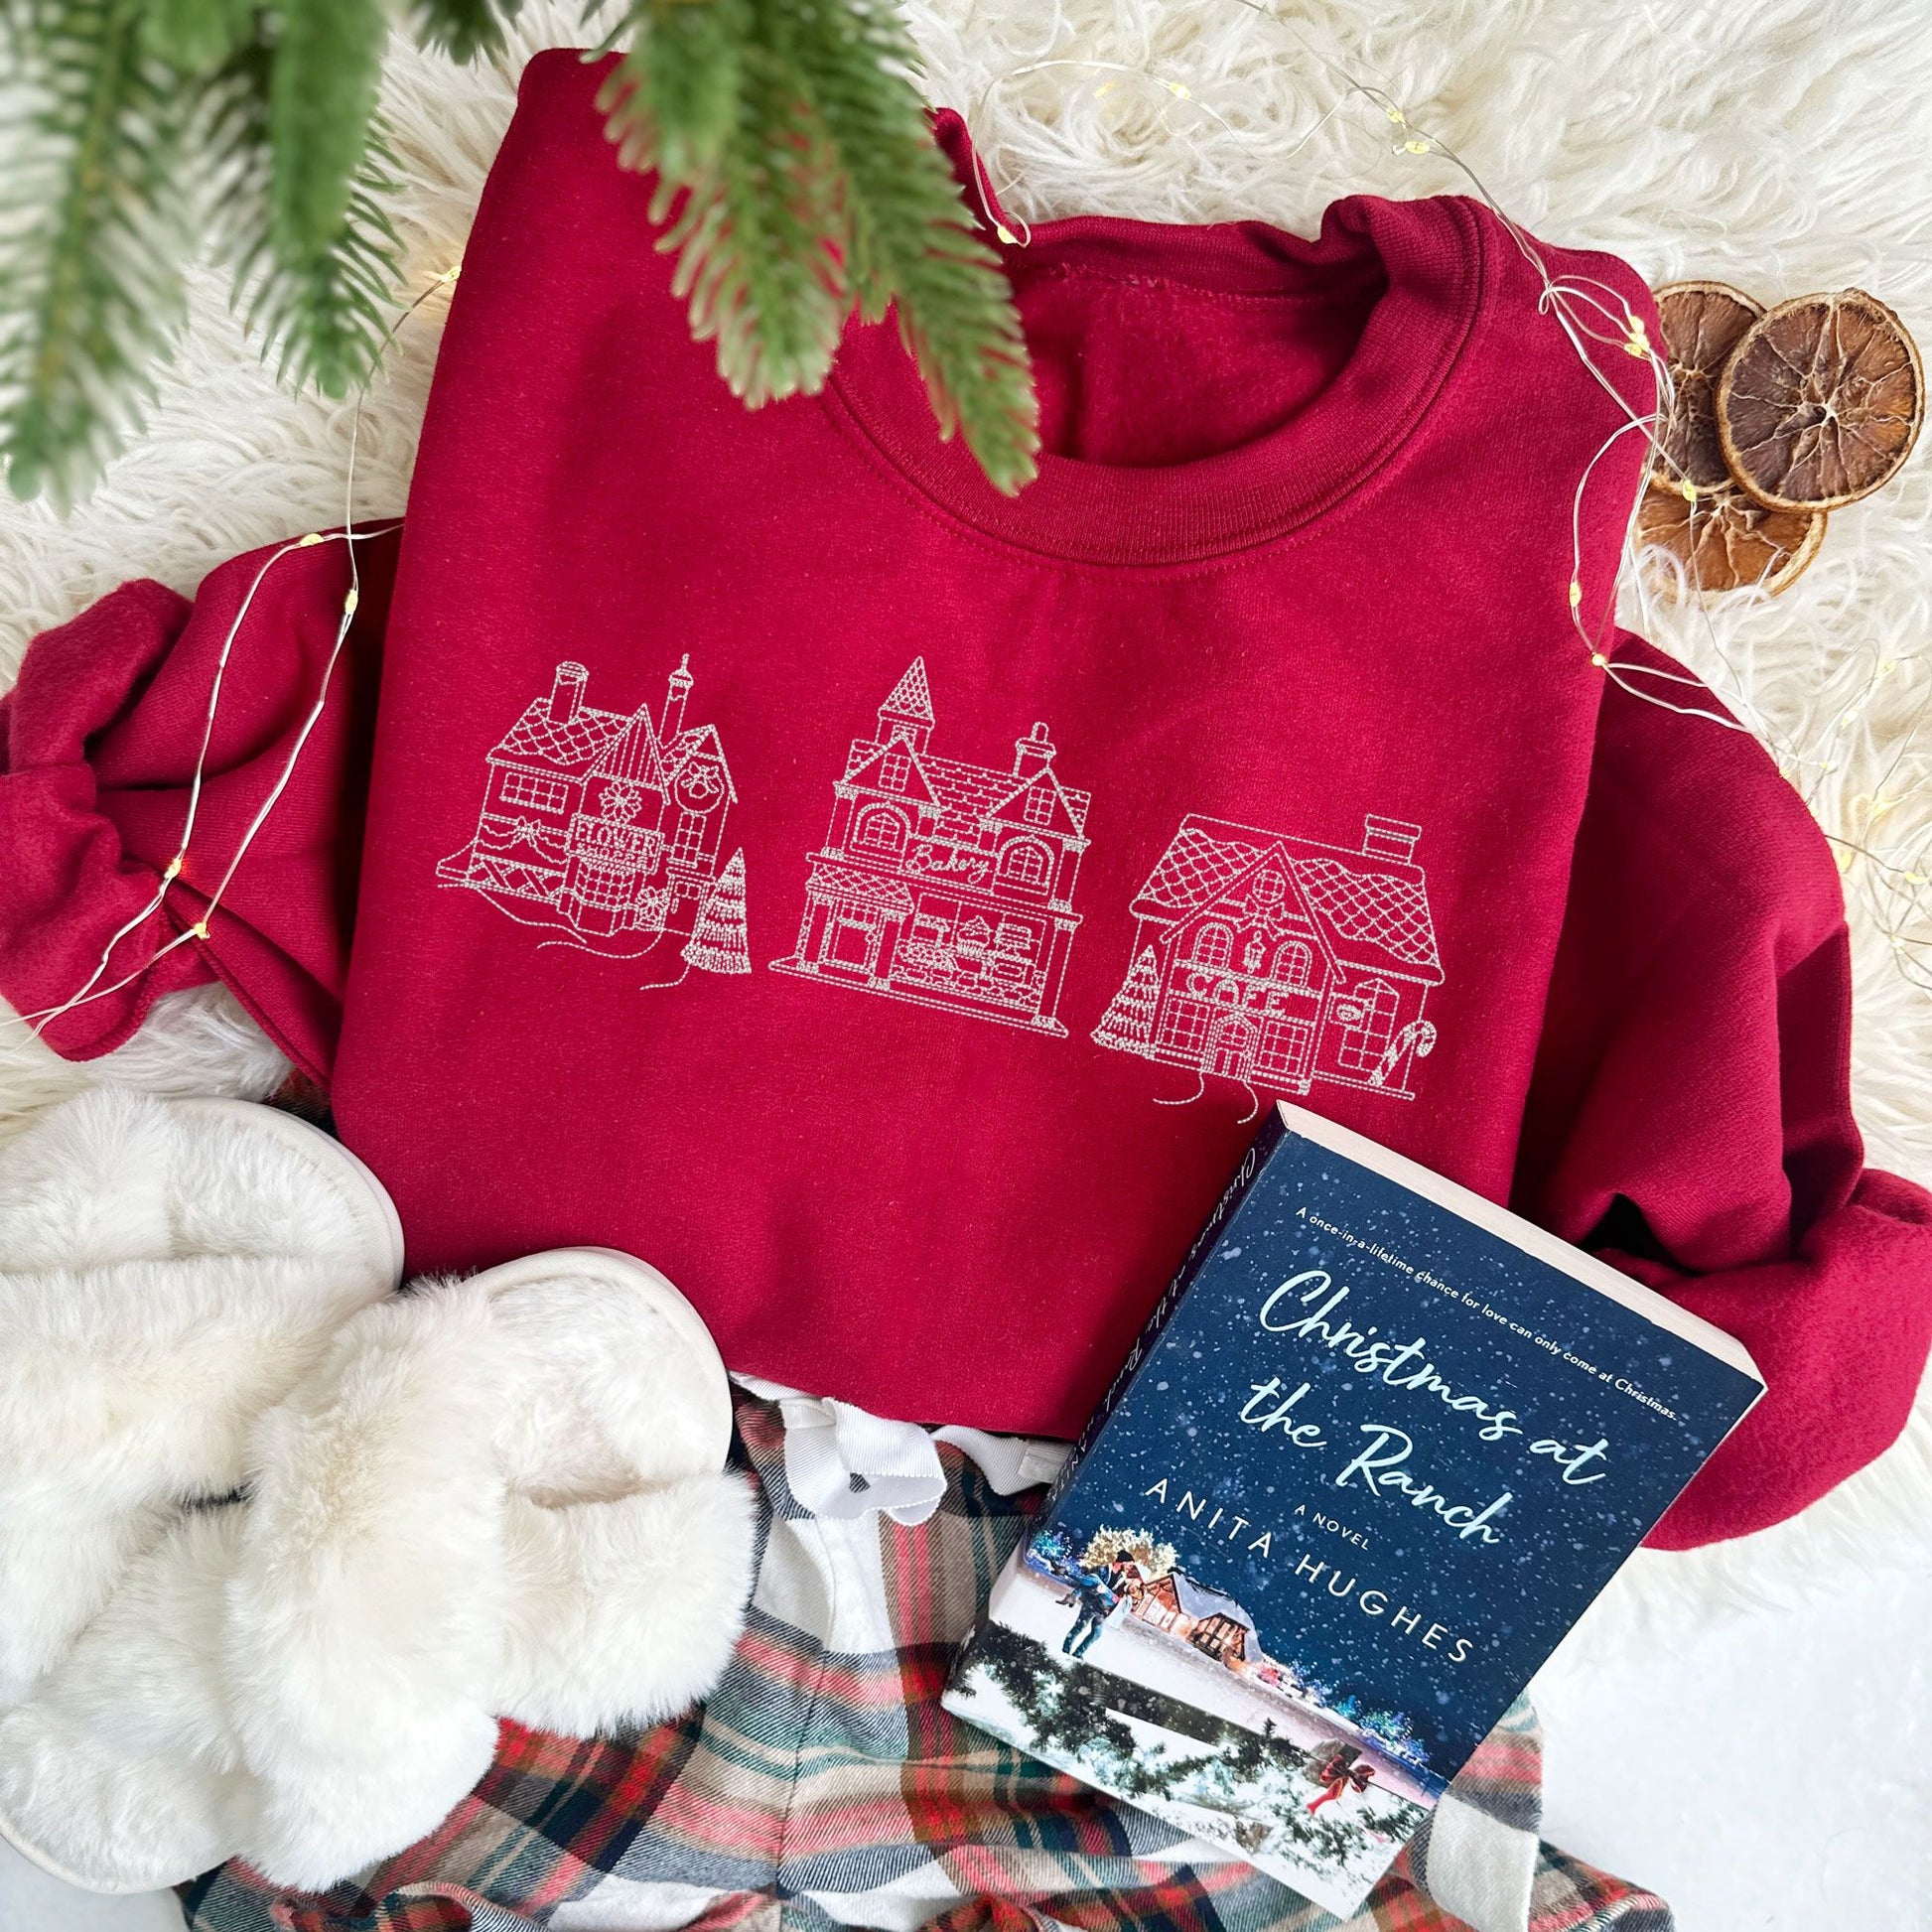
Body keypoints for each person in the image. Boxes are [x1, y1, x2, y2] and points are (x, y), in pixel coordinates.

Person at [1061, 1570, 1119, 1658]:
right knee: (1079, 1628)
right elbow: (1088, 1582)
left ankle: (1078, 1653)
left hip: (1103, 1610)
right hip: (1092, 1603)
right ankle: (1066, 1651)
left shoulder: (1122, 1579)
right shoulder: (1104, 1570)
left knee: (1096, 1633)